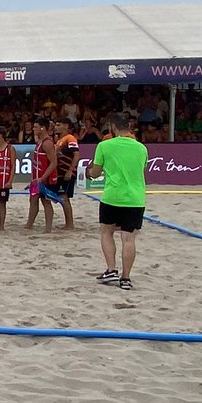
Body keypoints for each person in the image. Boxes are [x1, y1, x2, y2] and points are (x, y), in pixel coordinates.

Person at [88, 113, 148, 291]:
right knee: (128, 238)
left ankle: (111, 269)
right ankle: (126, 278)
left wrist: (89, 172)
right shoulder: (141, 148)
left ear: (112, 128)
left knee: (106, 232)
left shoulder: (104, 145)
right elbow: (141, 169)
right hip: (135, 198)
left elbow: (96, 173)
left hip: (113, 196)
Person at [25, 118, 59, 232]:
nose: (33, 128)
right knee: (33, 200)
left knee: (46, 202)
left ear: (42, 128)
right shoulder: (39, 140)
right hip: (37, 178)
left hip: (45, 179)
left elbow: (54, 162)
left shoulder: (47, 143)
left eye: (35, 126)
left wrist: (43, 178)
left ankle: (48, 228)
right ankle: (29, 225)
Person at [53, 118, 81, 231]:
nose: (55, 127)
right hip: (60, 172)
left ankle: (70, 224)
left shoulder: (70, 138)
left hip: (66, 172)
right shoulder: (59, 140)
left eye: (58, 124)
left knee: (64, 197)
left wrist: (70, 170)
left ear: (66, 126)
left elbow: (76, 155)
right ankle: (68, 223)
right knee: (62, 197)